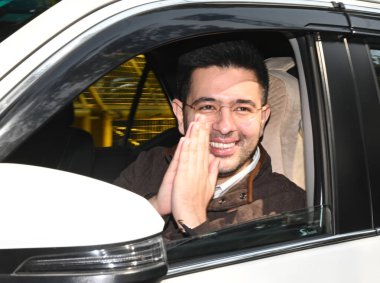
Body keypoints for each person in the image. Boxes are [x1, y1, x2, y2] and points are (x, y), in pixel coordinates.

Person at [114, 40, 305, 239]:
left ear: (262, 118)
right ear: (180, 116)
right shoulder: (148, 166)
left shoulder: (287, 207)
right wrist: (154, 206)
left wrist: (193, 219)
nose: (224, 126)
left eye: (242, 109)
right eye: (207, 107)